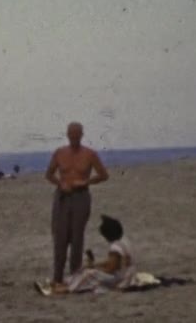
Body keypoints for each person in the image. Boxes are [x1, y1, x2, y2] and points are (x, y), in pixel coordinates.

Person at [44, 122, 109, 292]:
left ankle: (74, 276)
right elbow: (49, 174)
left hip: (81, 196)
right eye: (71, 134)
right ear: (67, 134)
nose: (74, 137)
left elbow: (104, 175)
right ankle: (57, 277)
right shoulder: (59, 153)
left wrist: (86, 181)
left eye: (76, 134)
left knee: (77, 237)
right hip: (63, 197)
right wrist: (60, 183)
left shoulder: (90, 154)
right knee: (60, 236)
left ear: (81, 135)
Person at [34, 215, 136, 295]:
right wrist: (95, 265)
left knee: (88, 274)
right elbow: (112, 263)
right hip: (126, 275)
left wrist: (94, 269)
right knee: (85, 269)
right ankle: (63, 283)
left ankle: (64, 289)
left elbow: (111, 269)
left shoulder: (115, 248)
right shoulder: (124, 241)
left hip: (118, 279)